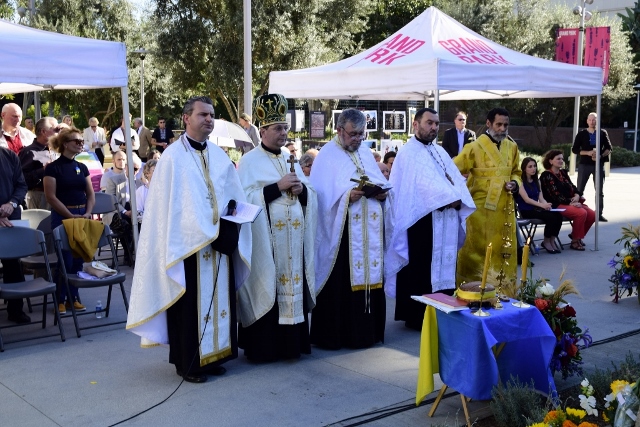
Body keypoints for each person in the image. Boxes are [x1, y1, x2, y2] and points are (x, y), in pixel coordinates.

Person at [126, 96, 251, 383]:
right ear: (186, 118)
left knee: (221, 301)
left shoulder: (219, 155)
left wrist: (231, 221)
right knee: (189, 308)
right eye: (203, 114)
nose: (209, 119)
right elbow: (171, 209)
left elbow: (233, 196)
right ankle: (190, 363)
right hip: (188, 247)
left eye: (212, 115)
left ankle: (215, 356)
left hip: (220, 244)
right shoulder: (172, 157)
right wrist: (207, 229)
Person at [236, 93, 317, 362]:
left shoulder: (288, 156)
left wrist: (301, 190)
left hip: (293, 242)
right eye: (278, 128)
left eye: (285, 127)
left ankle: (291, 346)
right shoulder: (250, 161)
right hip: (267, 244)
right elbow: (243, 200)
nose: (283, 133)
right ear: (262, 131)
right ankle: (266, 349)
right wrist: (276, 187)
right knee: (268, 287)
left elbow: (310, 196)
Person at [385, 108, 475, 330]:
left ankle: (442, 311)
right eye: (429, 123)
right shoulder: (408, 152)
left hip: (445, 219)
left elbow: (455, 179)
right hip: (421, 222)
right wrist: (449, 198)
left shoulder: (440, 152)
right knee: (421, 268)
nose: (434, 127)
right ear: (416, 125)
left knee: (443, 265)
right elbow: (419, 186)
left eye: (436, 123)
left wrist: (457, 198)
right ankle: (417, 316)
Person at [310, 108, 391, 348]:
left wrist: (383, 193)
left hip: (369, 232)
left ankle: (367, 333)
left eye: (361, 134)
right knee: (341, 284)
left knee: (370, 277)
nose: (357, 139)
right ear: (339, 130)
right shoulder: (327, 155)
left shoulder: (365, 152)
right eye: (353, 134)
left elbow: (379, 180)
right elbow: (321, 197)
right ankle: (338, 336)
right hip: (342, 236)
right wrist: (347, 197)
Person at [454, 107, 521, 284]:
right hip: (479, 212)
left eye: (505, 125)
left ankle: (504, 289)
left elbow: (516, 172)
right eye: (498, 124)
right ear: (488, 123)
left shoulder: (512, 146)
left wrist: (514, 183)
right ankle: (472, 291)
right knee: (477, 252)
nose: (502, 128)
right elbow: (452, 170)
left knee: (502, 250)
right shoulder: (474, 147)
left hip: (504, 209)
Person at [43, 127, 95, 314]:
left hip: (82, 216)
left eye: (82, 141)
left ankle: (74, 297)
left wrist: (88, 212)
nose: (81, 144)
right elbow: (51, 197)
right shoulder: (53, 168)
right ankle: (60, 300)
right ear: (65, 144)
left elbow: (90, 193)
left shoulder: (82, 167)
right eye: (77, 141)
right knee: (64, 260)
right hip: (63, 217)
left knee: (78, 259)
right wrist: (70, 215)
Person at [540, 150, 595, 251]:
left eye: (562, 158)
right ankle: (575, 241)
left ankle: (576, 235)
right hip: (556, 205)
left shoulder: (563, 173)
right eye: (558, 159)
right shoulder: (546, 175)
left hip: (570, 202)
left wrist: (577, 195)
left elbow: (573, 187)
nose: (561, 161)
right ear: (550, 161)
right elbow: (555, 195)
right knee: (581, 213)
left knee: (592, 214)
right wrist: (572, 202)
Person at [0, 146, 31, 324]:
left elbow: (21, 185)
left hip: (10, 220)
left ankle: (16, 310)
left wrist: (12, 203)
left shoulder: (9, 155)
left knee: (13, 266)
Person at [515, 157, 563, 254]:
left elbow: (541, 198)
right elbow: (527, 199)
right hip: (526, 210)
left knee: (558, 215)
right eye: (530, 167)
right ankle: (546, 241)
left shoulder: (537, 181)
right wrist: (542, 206)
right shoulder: (520, 182)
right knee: (551, 217)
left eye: (535, 166)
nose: (533, 169)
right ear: (524, 169)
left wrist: (546, 205)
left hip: (536, 208)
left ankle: (552, 240)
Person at [572, 112, 612, 222]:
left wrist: (600, 155)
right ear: (587, 121)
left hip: (598, 164)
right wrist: (587, 153)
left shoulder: (602, 133)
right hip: (584, 164)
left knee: (599, 190)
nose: (592, 122)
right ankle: (577, 212)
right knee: (579, 189)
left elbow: (609, 148)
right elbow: (575, 149)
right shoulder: (582, 134)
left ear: (597, 121)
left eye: (594, 120)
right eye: (590, 120)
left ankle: (599, 214)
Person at [19, 117, 59, 210]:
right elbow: (22, 179)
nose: (58, 132)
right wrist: (43, 170)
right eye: (55, 129)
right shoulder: (29, 152)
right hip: (39, 196)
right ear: (43, 132)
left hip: (57, 195)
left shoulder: (56, 150)